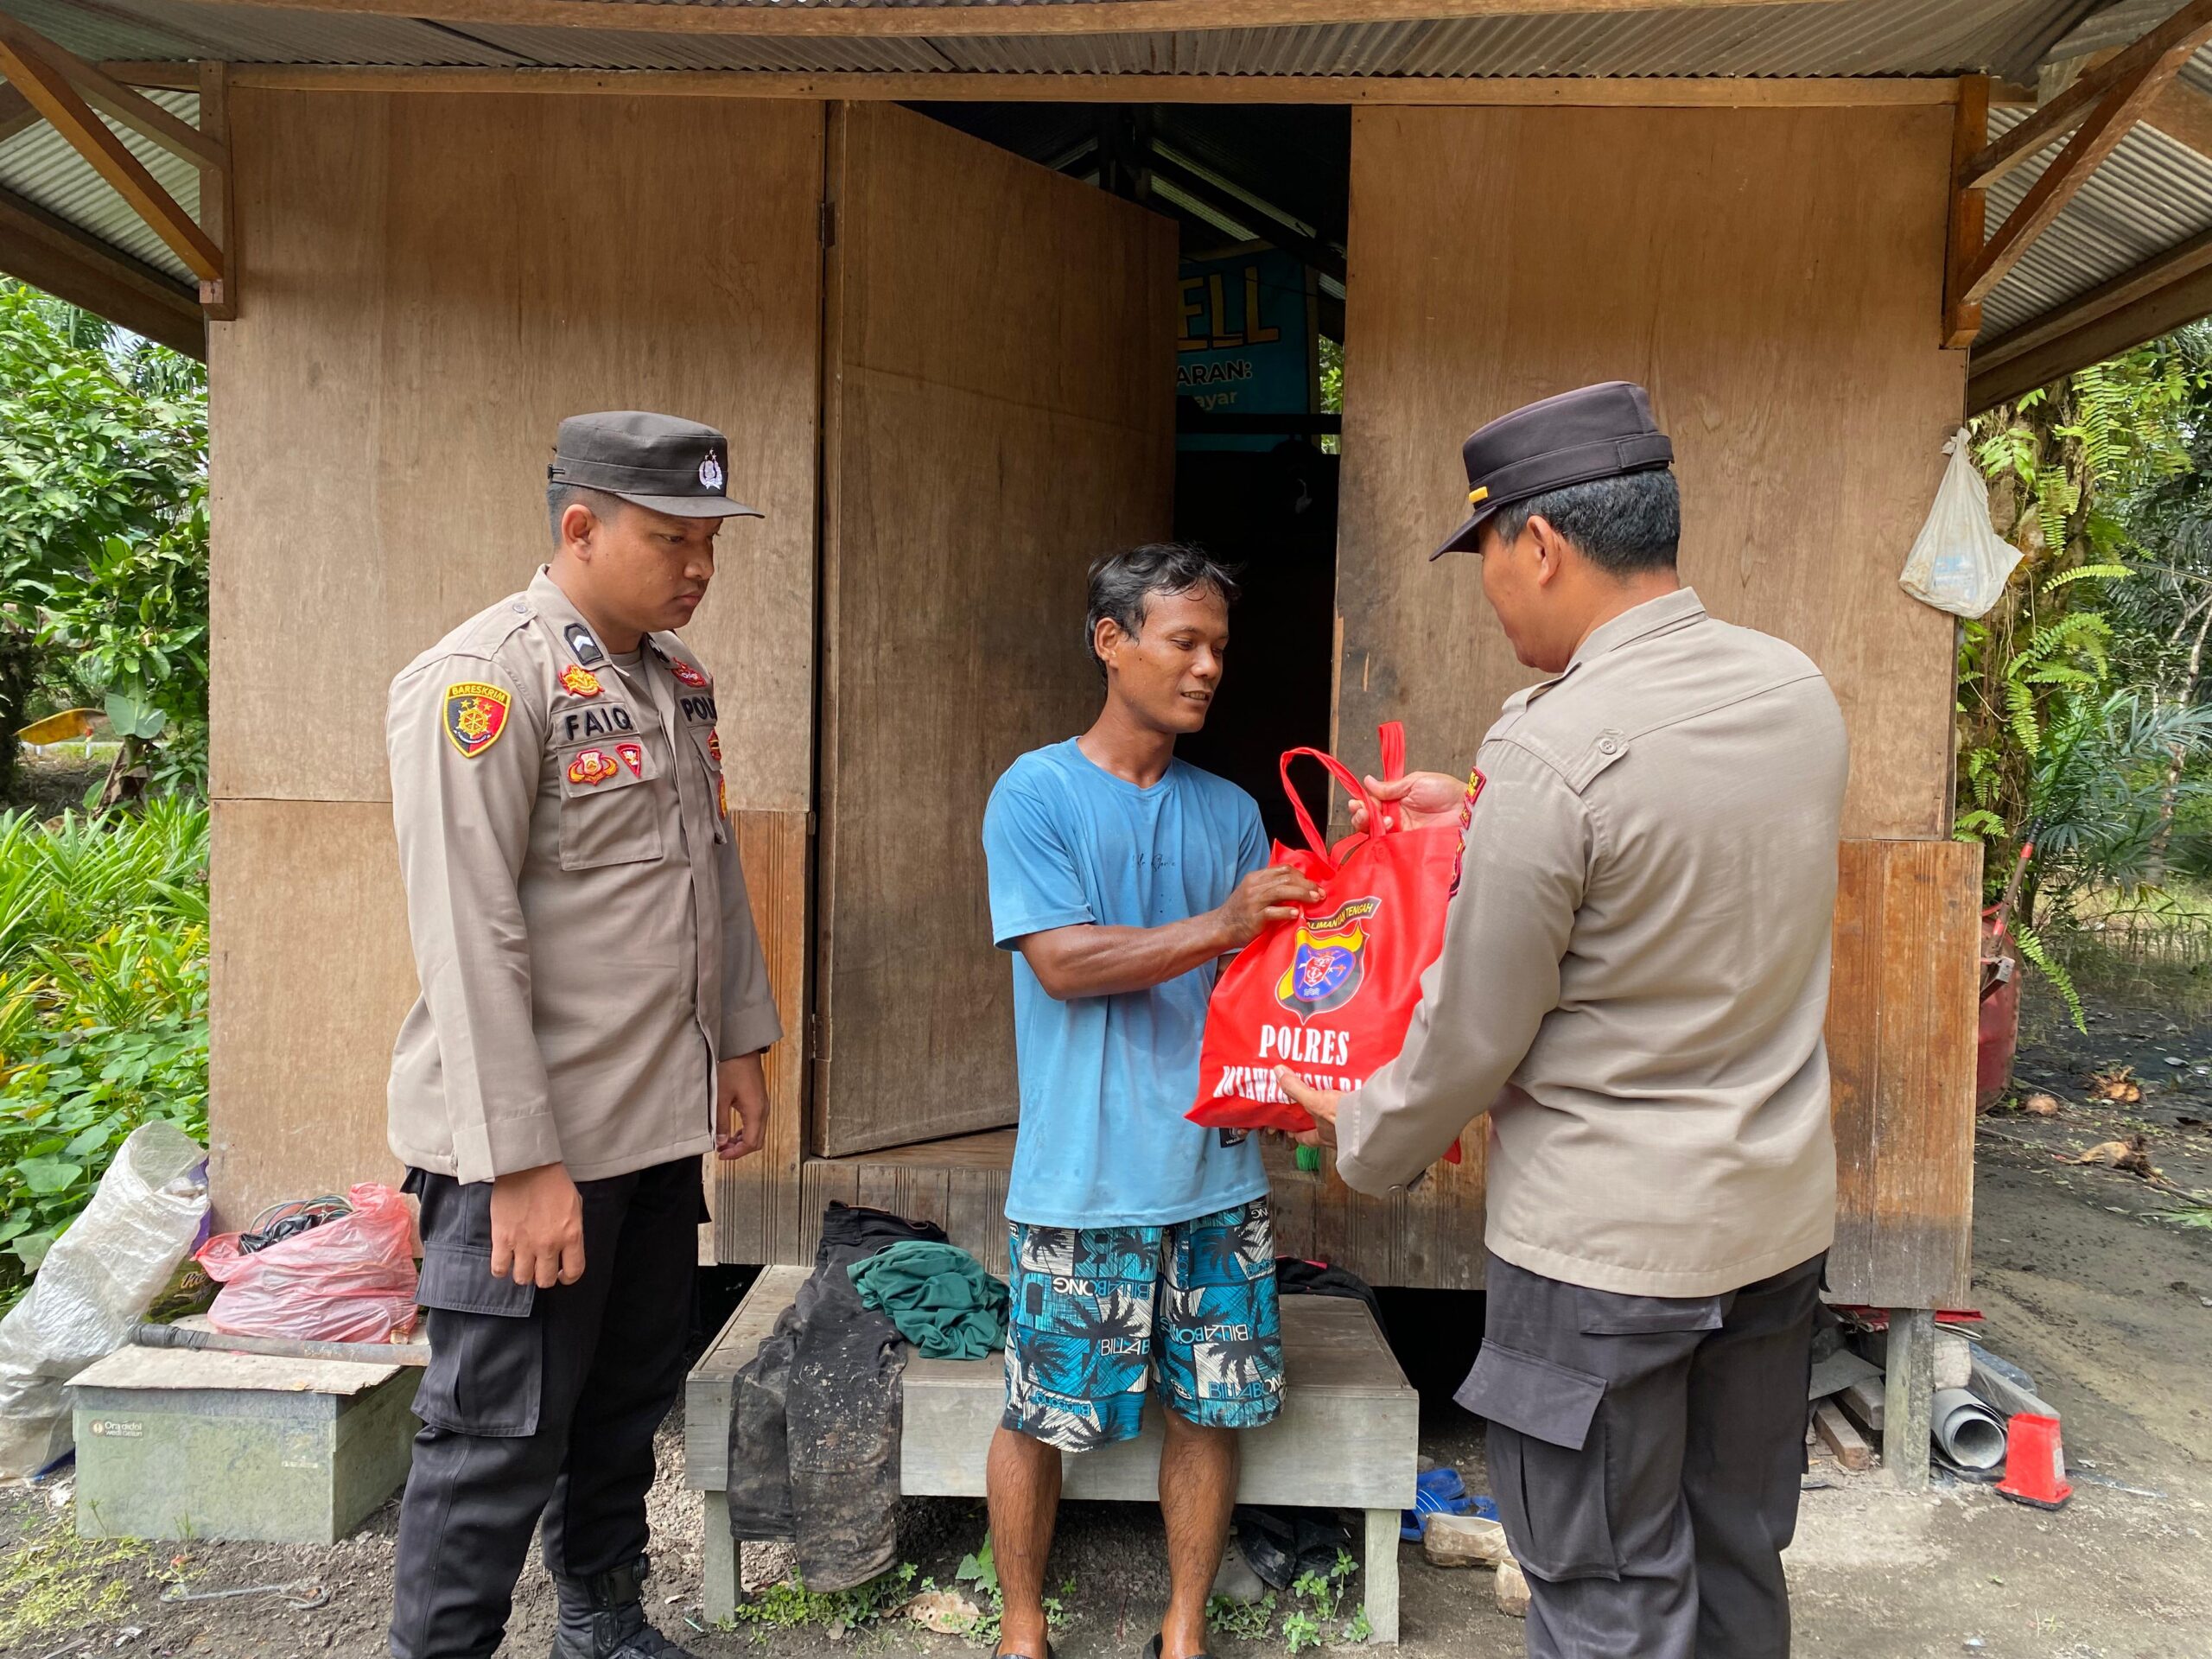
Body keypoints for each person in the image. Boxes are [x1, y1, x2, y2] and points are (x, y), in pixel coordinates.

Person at [1276, 382, 1847, 1659]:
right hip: (1768, 1226)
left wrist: (1359, 1127)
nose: (1490, 589)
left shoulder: (1552, 748)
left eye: (1486, 555)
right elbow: (1669, 862)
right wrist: (1483, 814)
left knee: (1605, 1594)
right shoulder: (1793, 689)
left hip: (1608, 1261)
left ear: (1541, 544)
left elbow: (1476, 1029)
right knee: (1735, 1558)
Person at [384, 411, 783, 1659]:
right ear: (580, 527)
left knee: (621, 1403)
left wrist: (739, 1042)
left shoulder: (672, 684)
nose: (699, 567)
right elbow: (469, 937)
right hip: (532, 1151)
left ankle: (603, 1623)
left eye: (711, 541)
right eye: (673, 539)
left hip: (649, 1129)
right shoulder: (482, 685)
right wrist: (521, 1165)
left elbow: (708, 872)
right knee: (497, 1438)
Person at [980, 543, 1323, 1659]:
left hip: (1215, 1175)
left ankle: (1184, 1631)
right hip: (1082, 1180)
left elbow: (1257, 989)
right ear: (1110, 639)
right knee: (1041, 1412)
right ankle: (1022, 1631)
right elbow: (1066, 963)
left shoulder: (1227, 811)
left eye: (1220, 646)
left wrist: (1308, 1071)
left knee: (1213, 1408)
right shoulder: (1035, 794)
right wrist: (1223, 926)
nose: (1209, 666)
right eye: (1186, 641)